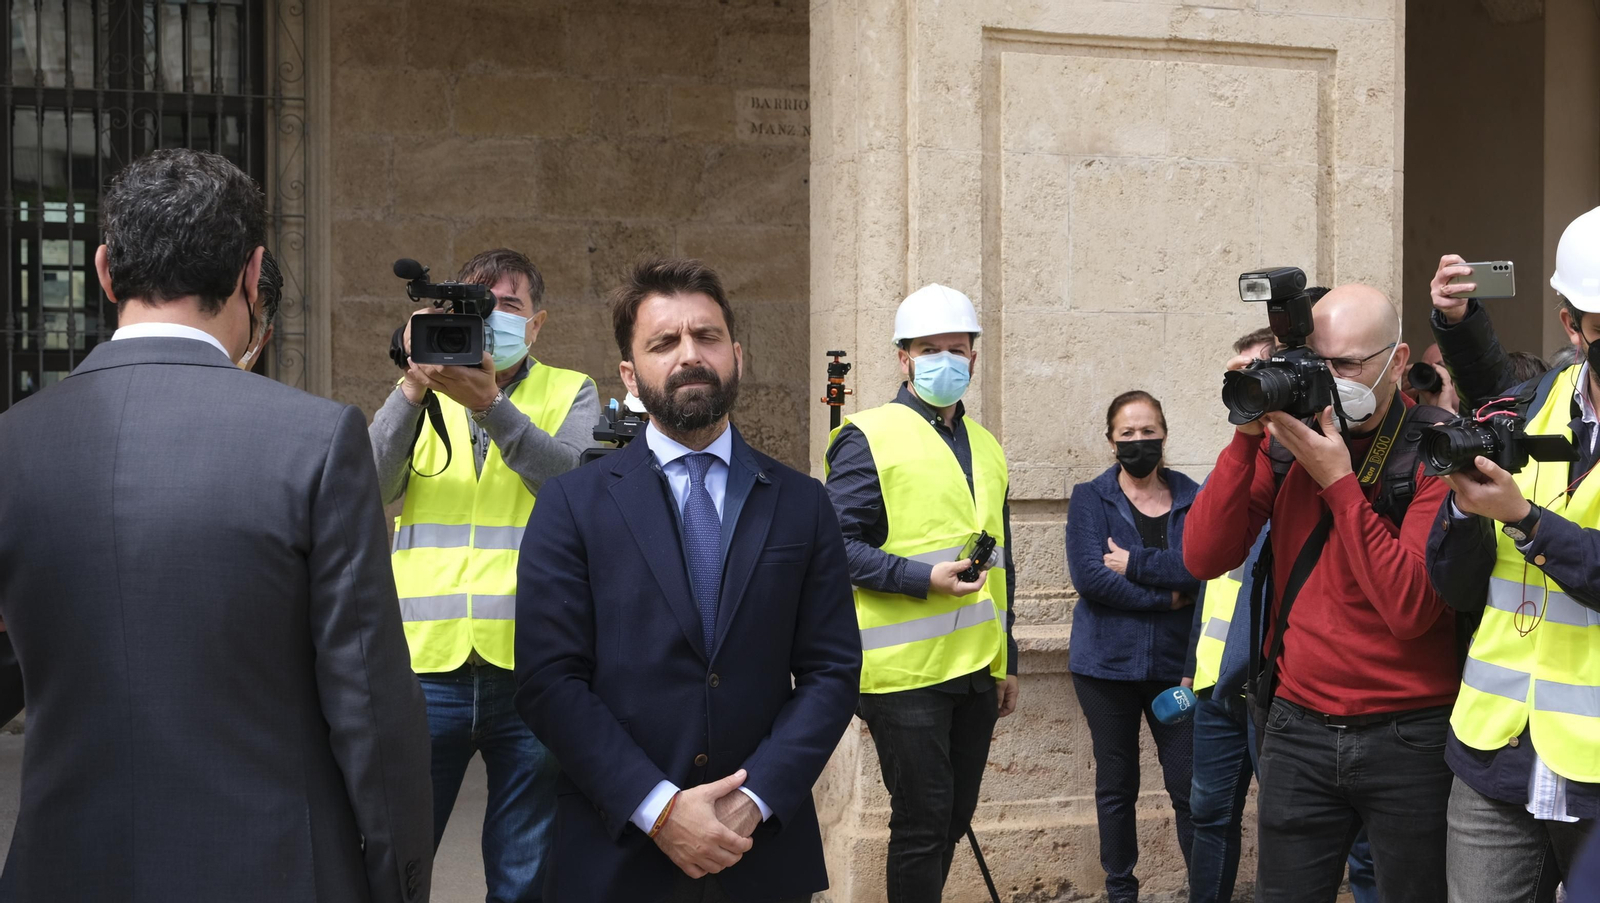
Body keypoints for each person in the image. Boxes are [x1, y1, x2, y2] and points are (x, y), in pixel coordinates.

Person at [0, 148, 433, 901]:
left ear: (104, 270)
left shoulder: (12, 442)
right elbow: (368, 703)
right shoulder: (317, 440)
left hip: (61, 867)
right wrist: (398, 882)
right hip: (272, 871)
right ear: (250, 271)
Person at [514, 258, 861, 902]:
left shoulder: (802, 502)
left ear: (736, 353)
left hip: (758, 853)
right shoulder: (571, 504)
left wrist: (754, 799)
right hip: (618, 850)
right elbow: (547, 679)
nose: (688, 356)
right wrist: (659, 809)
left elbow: (832, 672)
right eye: (663, 342)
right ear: (629, 373)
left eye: (705, 337)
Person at [1185, 284, 1459, 903]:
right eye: (1318, 361)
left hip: (1411, 737)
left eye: (1347, 364)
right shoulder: (1285, 446)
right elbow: (1202, 556)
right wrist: (1247, 436)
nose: (1330, 380)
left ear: (1398, 358)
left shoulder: (1438, 448)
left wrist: (1338, 481)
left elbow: (1411, 609)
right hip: (1298, 729)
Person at [370, 247, 598, 902]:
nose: (490, 318)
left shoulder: (571, 389)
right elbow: (365, 485)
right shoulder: (421, 395)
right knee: (393, 856)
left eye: (508, 305)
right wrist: (413, 383)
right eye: (473, 306)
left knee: (525, 869)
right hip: (426, 664)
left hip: (531, 663)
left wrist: (491, 404)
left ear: (537, 323)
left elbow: (573, 485)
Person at [1421, 218, 1600, 903]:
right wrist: (1468, 508)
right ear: (1572, 324)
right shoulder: (1532, 409)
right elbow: (1454, 583)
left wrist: (1524, 519)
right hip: (1496, 756)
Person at [824, 283, 1020, 903]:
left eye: (956, 349)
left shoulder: (986, 445)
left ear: (974, 357)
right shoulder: (866, 435)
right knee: (922, 822)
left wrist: (1004, 659)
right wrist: (918, 579)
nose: (945, 361)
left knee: (952, 822)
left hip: (973, 669)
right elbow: (833, 546)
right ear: (903, 359)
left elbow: (1003, 563)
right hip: (902, 675)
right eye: (928, 349)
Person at [1064, 390, 1198, 902]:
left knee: (1189, 789)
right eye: (1128, 434)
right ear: (1110, 440)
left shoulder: (1194, 495)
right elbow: (1091, 577)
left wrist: (1138, 565)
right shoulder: (1089, 497)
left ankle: (1202, 888)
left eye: (1148, 431)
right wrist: (1169, 599)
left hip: (1175, 670)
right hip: (1105, 668)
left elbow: (1202, 569)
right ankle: (1122, 892)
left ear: (1164, 433)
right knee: (1116, 787)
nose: (1139, 442)